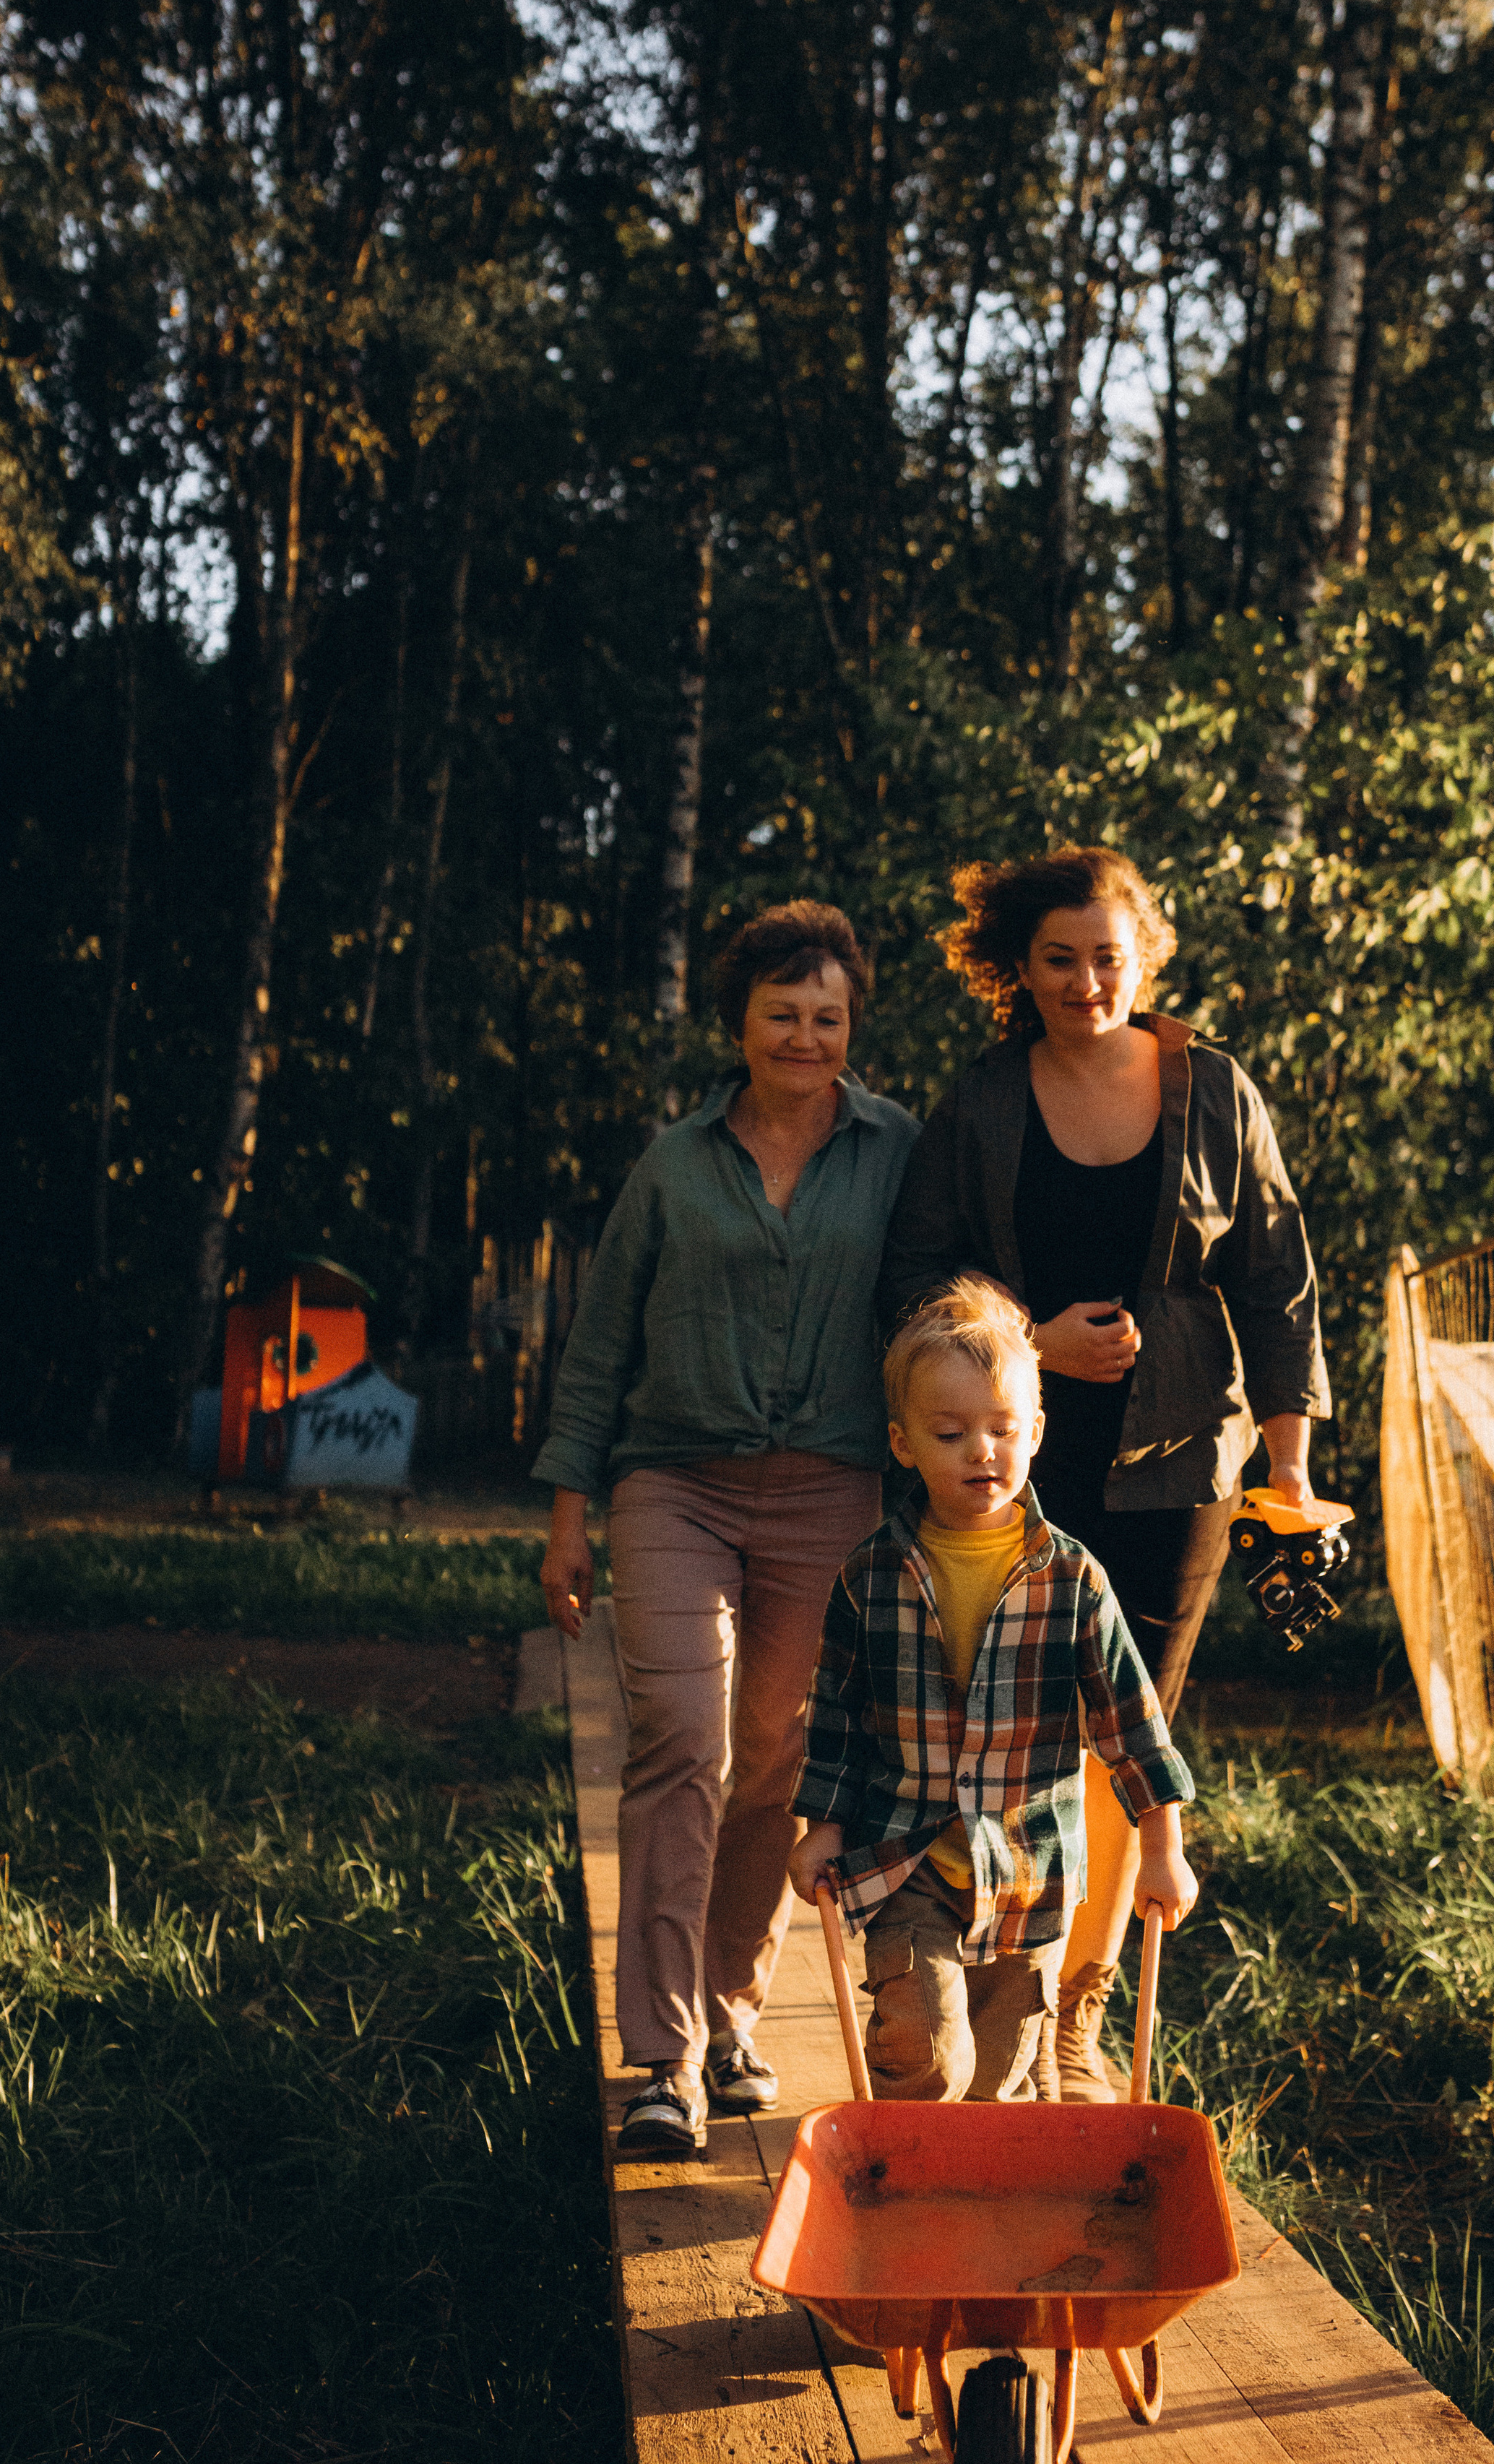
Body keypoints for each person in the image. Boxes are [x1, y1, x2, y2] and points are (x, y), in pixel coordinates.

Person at [880, 847, 1329, 2100]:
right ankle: (990, 1993)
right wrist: (1029, 1342)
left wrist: (1288, 1471)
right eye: (1061, 960)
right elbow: (913, 1275)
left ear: (1149, 959)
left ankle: (1077, 2021)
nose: (1088, 983)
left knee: (1128, 1746)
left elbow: (1278, 1281)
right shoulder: (981, 1103)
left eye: (1109, 959)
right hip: (1007, 1468)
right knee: (1018, 1742)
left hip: (1181, 1466)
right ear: (1020, 969)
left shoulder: (1216, 1090)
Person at [535, 900, 920, 2157]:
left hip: (831, 1494)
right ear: (740, 1023)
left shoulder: (897, 1153)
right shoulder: (673, 1164)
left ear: (851, 1026)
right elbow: (600, 1347)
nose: (805, 1037)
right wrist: (568, 1517)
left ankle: (731, 2011)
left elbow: (939, 1307)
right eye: (781, 1014)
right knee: (679, 1747)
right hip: (675, 1486)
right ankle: (662, 2061)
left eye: (828, 1017)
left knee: (774, 1758)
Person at [787, 1277, 1197, 2101]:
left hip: (1030, 1873)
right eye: (952, 1433)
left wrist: (1163, 1846)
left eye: (1003, 1429)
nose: (982, 1451)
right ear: (903, 1444)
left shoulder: (1073, 1577)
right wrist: (821, 1827)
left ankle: (985, 2209)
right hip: (905, 1862)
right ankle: (908, 2195)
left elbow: (1131, 1723)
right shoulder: (870, 1575)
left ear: (1036, 1432)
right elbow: (837, 1718)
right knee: (926, 2056)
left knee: (1000, 2086)